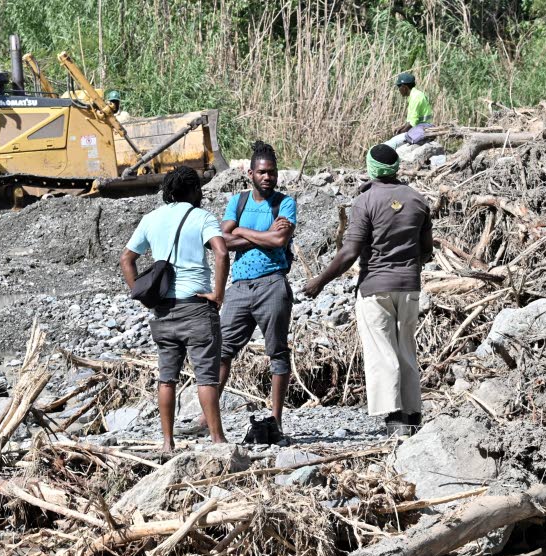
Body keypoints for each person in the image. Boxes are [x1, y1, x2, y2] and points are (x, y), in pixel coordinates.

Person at [303, 144, 432, 436]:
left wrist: (319, 282)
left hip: (375, 288)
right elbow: (426, 251)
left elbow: (349, 253)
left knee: (383, 352)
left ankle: (395, 418)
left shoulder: (366, 201)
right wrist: (407, 263)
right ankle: (413, 415)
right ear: (396, 167)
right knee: (406, 349)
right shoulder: (418, 200)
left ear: (371, 168)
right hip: (409, 286)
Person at [120, 166, 230, 454]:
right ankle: (217, 441)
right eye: (200, 190)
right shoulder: (202, 217)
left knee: (167, 377)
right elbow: (221, 252)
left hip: (164, 311)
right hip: (197, 308)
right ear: (193, 190)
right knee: (206, 376)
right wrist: (218, 294)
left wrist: (143, 296)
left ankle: (167, 443)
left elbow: (126, 259)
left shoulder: (151, 219)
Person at [197, 140, 295, 440]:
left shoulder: (285, 203)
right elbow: (221, 242)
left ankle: (276, 421)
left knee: (277, 352)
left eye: (272, 173)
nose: (268, 177)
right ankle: (206, 419)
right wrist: (259, 235)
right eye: (262, 173)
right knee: (223, 350)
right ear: (250, 173)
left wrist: (239, 231)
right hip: (239, 286)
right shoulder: (237, 202)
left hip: (272, 283)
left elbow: (279, 242)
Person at [383, 72, 433, 150]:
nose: (399, 90)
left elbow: (412, 123)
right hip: (421, 127)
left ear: (404, 87)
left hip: (423, 128)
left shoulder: (415, 98)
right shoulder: (415, 95)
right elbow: (411, 121)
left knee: (389, 145)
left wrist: (399, 134)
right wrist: (401, 128)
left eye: (399, 86)